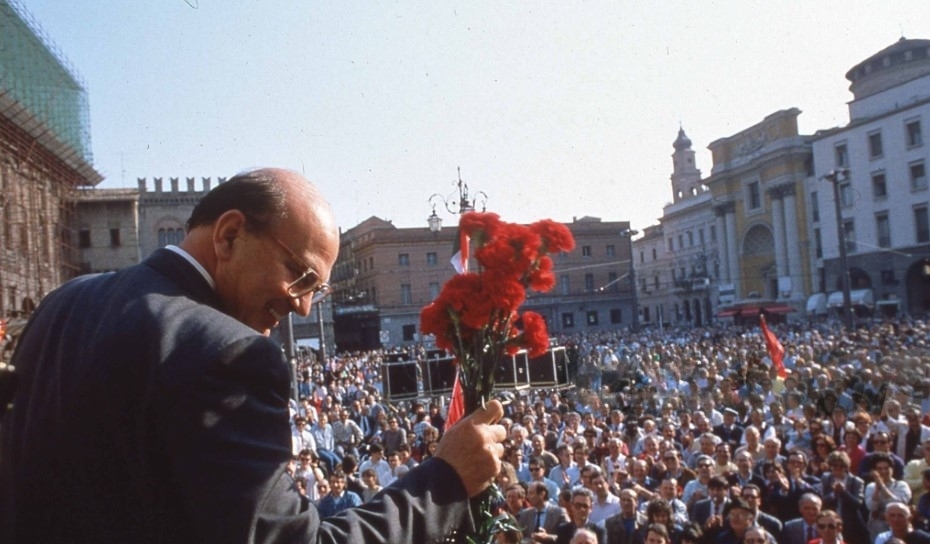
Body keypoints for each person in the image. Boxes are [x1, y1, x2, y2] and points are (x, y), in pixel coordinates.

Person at [0, 168, 507, 543]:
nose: (303, 303)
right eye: (302, 276)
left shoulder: (63, 303)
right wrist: (445, 481)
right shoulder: (227, 352)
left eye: (318, 291)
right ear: (229, 235)